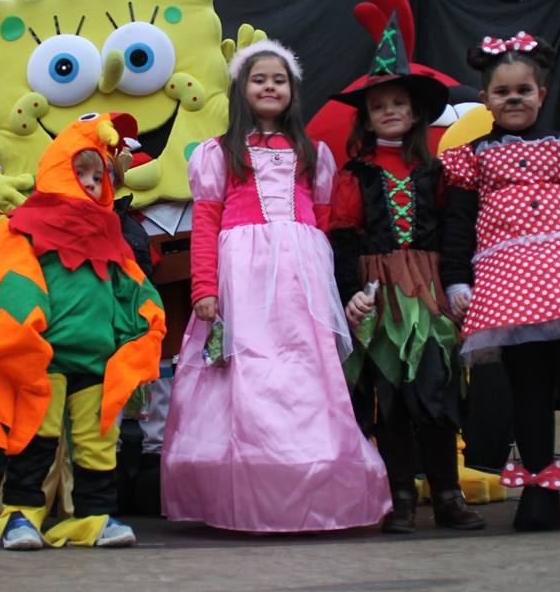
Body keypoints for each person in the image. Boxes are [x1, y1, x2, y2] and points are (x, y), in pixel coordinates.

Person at [162, 40, 391, 533]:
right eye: (259, 78)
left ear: (293, 91)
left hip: (300, 280)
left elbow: (325, 226)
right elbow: (205, 223)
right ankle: (250, 487)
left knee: (306, 372)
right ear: (241, 89)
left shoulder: (312, 154)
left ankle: (313, 485)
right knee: (249, 372)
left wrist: (332, 289)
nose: (269, 86)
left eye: (279, 79)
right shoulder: (220, 153)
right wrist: (205, 286)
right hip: (241, 276)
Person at [440, 33, 560, 532]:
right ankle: (540, 491)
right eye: (502, 91)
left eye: (523, 90)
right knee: (527, 392)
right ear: (485, 99)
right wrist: (457, 280)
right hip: (508, 287)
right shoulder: (472, 158)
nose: (513, 99)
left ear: (541, 94)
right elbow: (458, 225)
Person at [0, 113, 166, 549]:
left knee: (97, 445)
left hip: (97, 361)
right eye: (82, 172)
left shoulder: (111, 236)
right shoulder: (26, 227)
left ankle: (93, 517)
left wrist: (145, 325)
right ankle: (21, 515)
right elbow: (10, 282)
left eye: (101, 176)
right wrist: (26, 334)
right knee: (36, 437)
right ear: (58, 169)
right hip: (45, 358)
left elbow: (133, 291)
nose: (93, 183)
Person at [329, 8, 484, 534]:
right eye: (379, 106)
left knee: (436, 390)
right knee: (388, 394)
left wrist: (457, 284)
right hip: (380, 296)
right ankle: (399, 497)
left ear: (416, 112)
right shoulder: (355, 174)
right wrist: (351, 293)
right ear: (366, 117)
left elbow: (456, 230)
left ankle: (446, 493)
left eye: (398, 103)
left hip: (429, 290)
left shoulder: (436, 171)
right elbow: (344, 238)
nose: (389, 111)